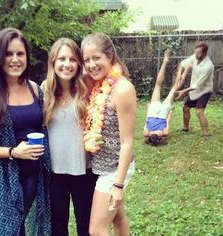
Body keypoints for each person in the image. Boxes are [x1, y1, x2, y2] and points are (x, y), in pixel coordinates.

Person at [0, 28, 51, 235]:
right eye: (8, 54)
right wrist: (13, 152)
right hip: (1, 180)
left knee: (21, 227)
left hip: (33, 177)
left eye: (20, 54)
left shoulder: (34, 89)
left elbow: (43, 126)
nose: (15, 59)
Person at [81, 33, 136, 236]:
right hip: (103, 167)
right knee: (118, 219)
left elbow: (127, 142)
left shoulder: (122, 89)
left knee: (96, 230)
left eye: (96, 58)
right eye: (86, 60)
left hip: (115, 169)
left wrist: (118, 185)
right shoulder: (98, 86)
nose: (91, 64)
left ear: (109, 56)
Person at [41, 38, 97, 236]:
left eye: (72, 59)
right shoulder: (44, 90)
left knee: (86, 226)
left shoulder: (88, 89)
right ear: (53, 62)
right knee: (58, 227)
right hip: (54, 172)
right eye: (61, 59)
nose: (67, 64)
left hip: (84, 169)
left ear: (79, 63)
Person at [143, 49, 190, 146]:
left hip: (163, 114)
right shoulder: (146, 133)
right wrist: (148, 109)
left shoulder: (164, 133)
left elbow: (167, 122)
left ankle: (187, 68)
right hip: (152, 113)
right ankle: (165, 61)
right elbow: (146, 120)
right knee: (158, 85)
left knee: (175, 88)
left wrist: (169, 112)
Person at [176, 42, 214, 137]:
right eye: (195, 53)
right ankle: (185, 128)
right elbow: (182, 64)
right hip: (194, 90)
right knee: (185, 108)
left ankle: (206, 133)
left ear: (204, 53)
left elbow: (197, 85)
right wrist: (180, 74)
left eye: (199, 53)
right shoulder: (195, 57)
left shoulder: (208, 66)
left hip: (205, 90)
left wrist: (183, 91)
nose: (196, 55)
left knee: (199, 111)